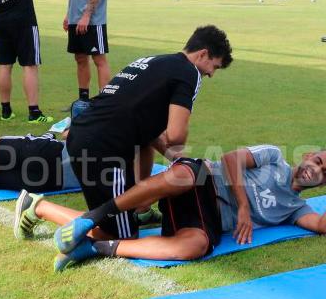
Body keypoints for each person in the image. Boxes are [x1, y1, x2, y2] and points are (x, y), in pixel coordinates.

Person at [14, 146, 326, 272]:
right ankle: (109, 211)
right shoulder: (274, 158)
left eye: (325, 172)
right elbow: (230, 158)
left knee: (193, 246)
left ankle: (43, 210)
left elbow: (325, 226)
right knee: (186, 173)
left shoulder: (294, 208)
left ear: (323, 183)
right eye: (316, 159)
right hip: (199, 181)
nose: (315, 168)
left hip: (201, 216)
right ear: (306, 156)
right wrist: (243, 207)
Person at [56, 25, 232, 245]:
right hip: (105, 149)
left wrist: (178, 161)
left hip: (83, 135)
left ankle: (136, 209)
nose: (211, 74)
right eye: (213, 66)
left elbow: (148, 135)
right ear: (203, 53)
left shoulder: (154, 61)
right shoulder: (189, 73)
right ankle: (42, 209)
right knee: (122, 237)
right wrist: (182, 153)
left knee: (113, 213)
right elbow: (176, 135)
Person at [63, 0, 111, 113]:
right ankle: (83, 100)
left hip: (92, 20)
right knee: (80, 58)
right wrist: (68, 14)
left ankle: (104, 103)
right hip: (75, 17)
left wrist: (87, 15)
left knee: (99, 60)